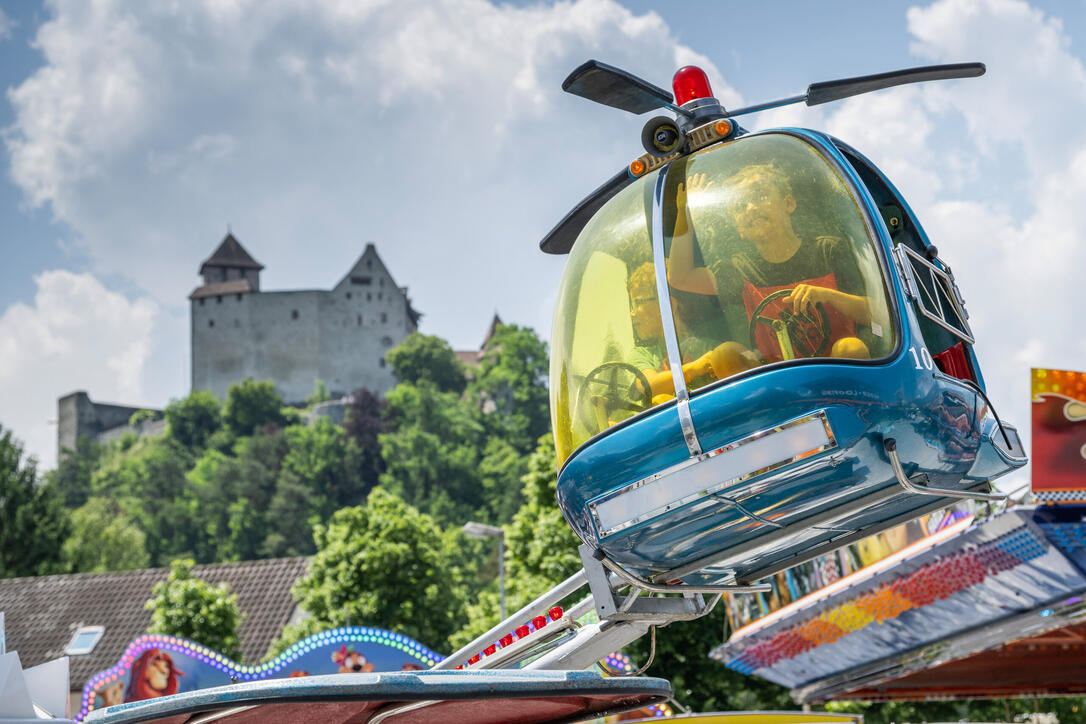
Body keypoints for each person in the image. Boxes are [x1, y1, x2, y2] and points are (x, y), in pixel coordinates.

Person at [668, 164, 873, 365]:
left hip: (844, 374)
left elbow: (878, 315)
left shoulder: (828, 250)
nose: (750, 208)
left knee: (850, 347)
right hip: (776, 376)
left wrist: (826, 295)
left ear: (789, 204)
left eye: (760, 196)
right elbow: (680, 277)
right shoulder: (739, 269)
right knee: (726, 354)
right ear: (739, 228)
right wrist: (685, 213)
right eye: (740, 206)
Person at [626, 261, 716, 404]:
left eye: (638, 303)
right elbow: (648, 386)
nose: (632, 313)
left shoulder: (708, 347)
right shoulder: (642, 354)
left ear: (668, 305)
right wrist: (695, 368)